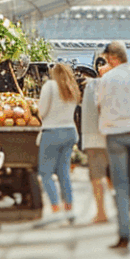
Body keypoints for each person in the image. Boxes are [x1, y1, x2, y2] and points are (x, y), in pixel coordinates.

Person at [94, 41, 130, 250]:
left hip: (115, 134)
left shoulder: (106, 79)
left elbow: (98, 103)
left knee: (120, 185)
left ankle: (124, 235)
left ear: (112, 58)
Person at [37, 62, 81, 221]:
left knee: (46, 172)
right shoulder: (71, 88)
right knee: (64, 172)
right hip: (70, 131)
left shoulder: (49, 86)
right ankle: (69, 207)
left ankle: (56, 207)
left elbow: (42, 111)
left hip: (52, 132)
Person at [79, 60, 111, 225]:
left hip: (95, 136)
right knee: (111, 176)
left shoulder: (93, 86)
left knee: (97, 176)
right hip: (108, 135)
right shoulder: (106, 85)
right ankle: (108, 211)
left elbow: (100, 106)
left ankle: (101, 212)